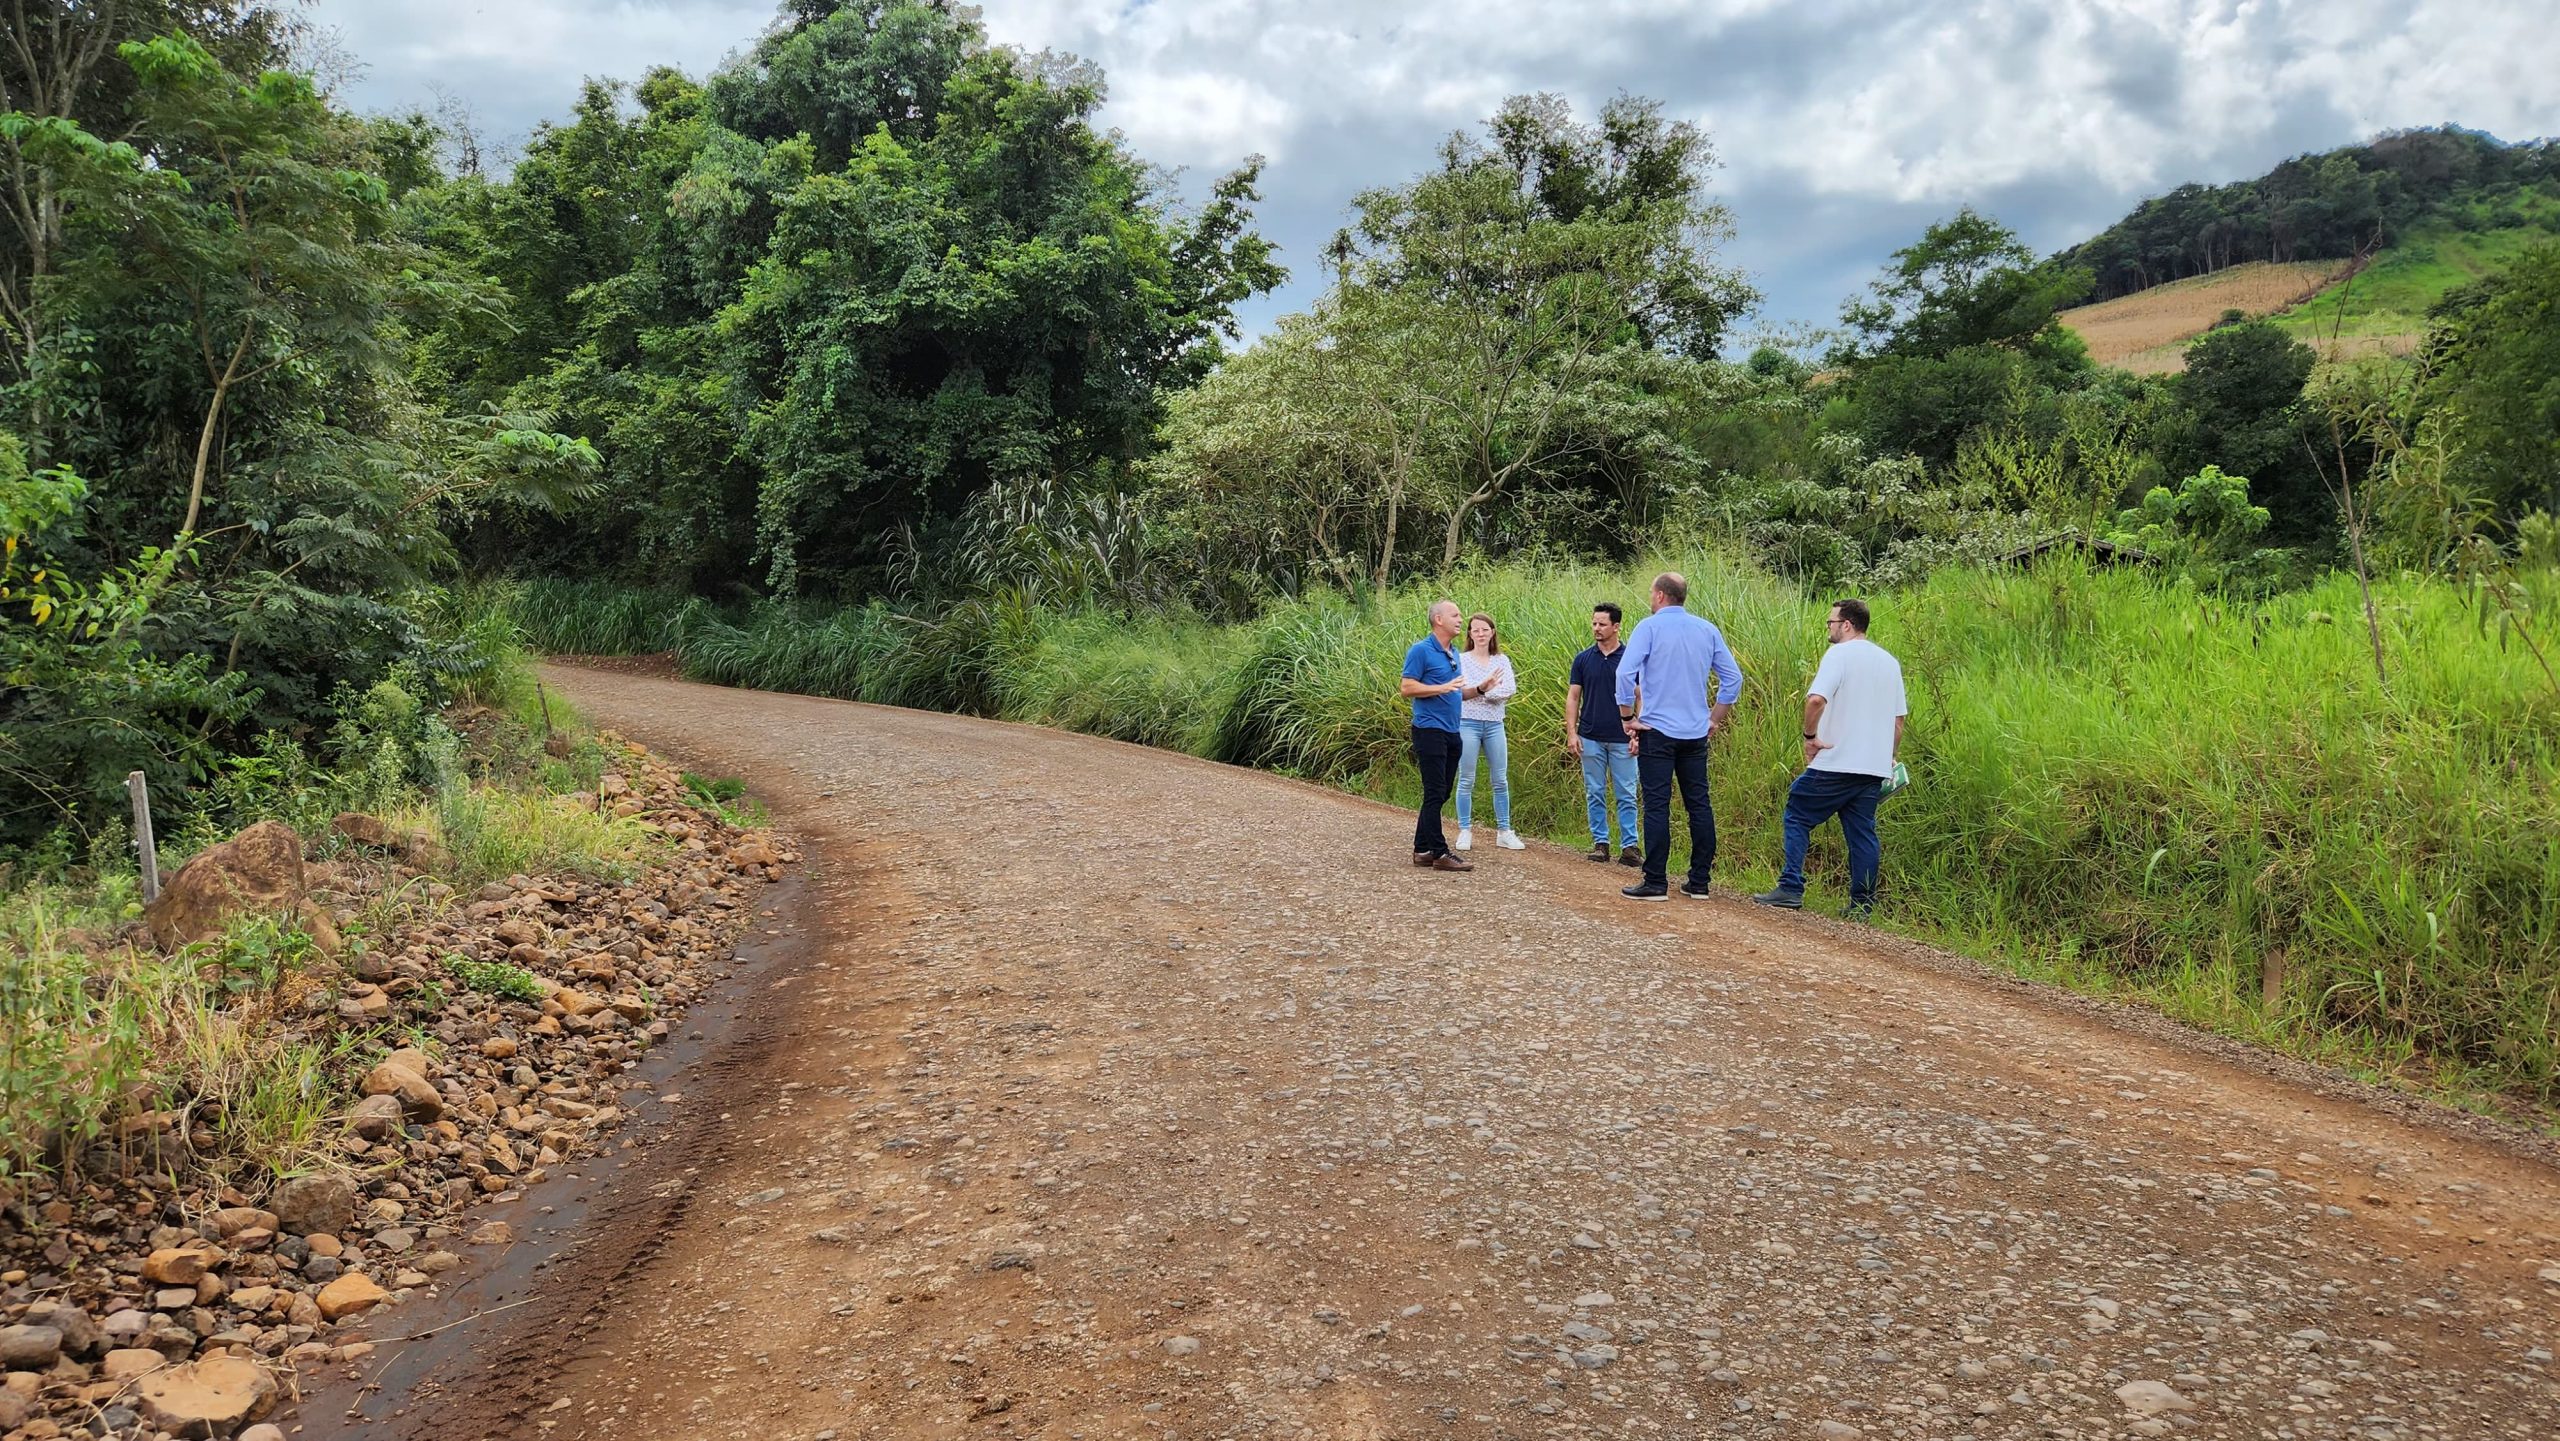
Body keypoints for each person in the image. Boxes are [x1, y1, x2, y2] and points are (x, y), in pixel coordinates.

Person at [1755, 597, 1907, 918]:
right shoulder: (1889, 662)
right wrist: (1888, 757)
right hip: (1872, 767)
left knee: (1797, 809)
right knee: (1862, 832)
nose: (1829, 628)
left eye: (1831, 622)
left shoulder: (1839, 655)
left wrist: (1810, 739)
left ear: (1847, 625)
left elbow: (1814, 701)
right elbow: (1897, 722)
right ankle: (1862, 905)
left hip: (1838, 759)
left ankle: (1791, 886)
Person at [1613, 571, 1743, 902]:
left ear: (1659, 595)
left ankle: (1655, 880)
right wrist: (1714, 718)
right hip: (1695, 732)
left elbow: (1625, 673)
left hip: (1657, 730)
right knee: (1699, 803)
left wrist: (1628, 717)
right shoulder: (1706, 629)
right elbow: (1733, 680)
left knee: (1657, 804)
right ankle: (1699, 880)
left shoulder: (1649, 627)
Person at [1398, 599, 1474, 872]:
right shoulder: (1421, 650)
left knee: (1441, 792)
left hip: (1452, 730)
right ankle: (1440, 852)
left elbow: (1457, 691)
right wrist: (1441, 688)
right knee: (1434, 791)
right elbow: (1407, 687)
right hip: (1429, 729)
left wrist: (1482, 689)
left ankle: (1422, 849)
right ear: (1438, 619)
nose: (1460, 618)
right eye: (1455, 614)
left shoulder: (1453, 653)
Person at [1565, 602, 1641, 867]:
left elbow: (1641, 696)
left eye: (1602, 624)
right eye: (1594, 623)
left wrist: (1638, 732)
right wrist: (1572, 732)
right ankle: (1601, 843)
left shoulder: (1631, 658)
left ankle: (1630, 846)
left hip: (1623, 737)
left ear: (1616, 626)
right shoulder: (1583, 659)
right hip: (1591, 735)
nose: (1596, 628)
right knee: (1594, 791)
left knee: (1627, 793)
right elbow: (1574, 697)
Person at [1452, 613, 1524, 851]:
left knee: (1500, 779)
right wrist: (1485, 688)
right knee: (1466, 778)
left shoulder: (1501, 660)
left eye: (1485, 630)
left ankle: (1504, 830)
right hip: (1468, 722)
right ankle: (1464, 830)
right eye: (1475, 630)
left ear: (1492, 632)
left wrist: (1484, 691)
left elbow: (1509, 689)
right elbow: (1462, 690)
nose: (1480, 634)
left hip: (1495, 724)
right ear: (1470, 634)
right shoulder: (1461, 659)